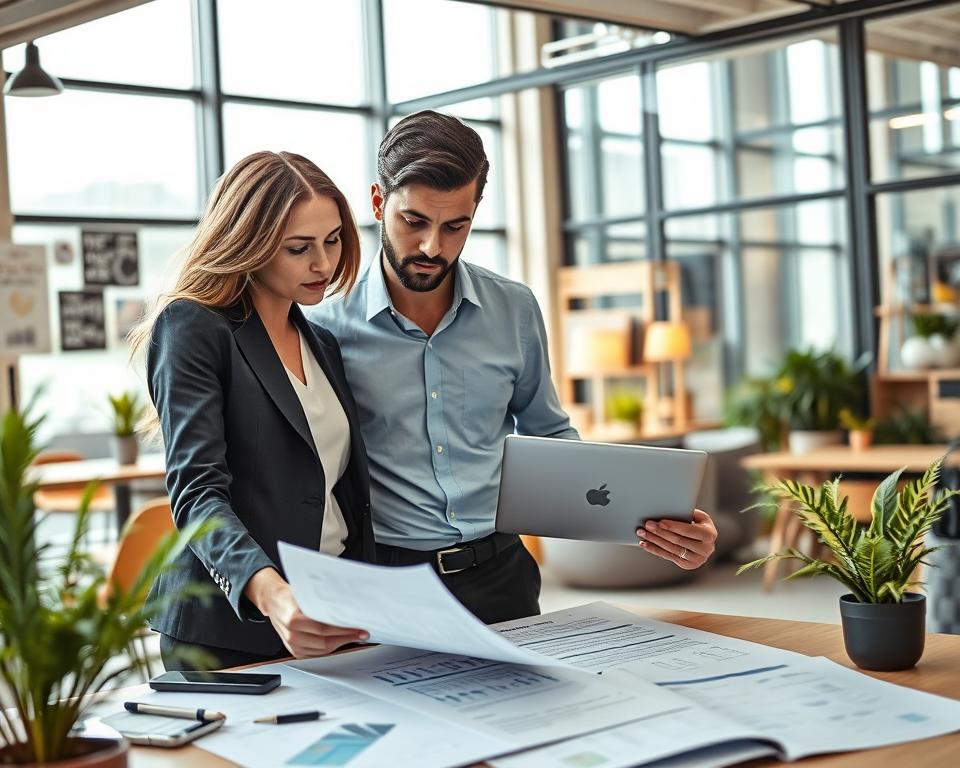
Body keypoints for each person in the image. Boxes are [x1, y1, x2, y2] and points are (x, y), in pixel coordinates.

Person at [312, 111, 718, 625]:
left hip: (501, 576)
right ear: (377, 202)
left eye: (455, 225)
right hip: (385, 580)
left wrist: (656, 523)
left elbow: (550, 433)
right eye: (413, 221)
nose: (433, 247)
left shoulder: (514, 309)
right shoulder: (323, 325)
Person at [131, 151, 373, 670]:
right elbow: (197, 496)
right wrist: (274, 597)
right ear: (251, 243)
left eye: (333, 241)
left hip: (332, 615)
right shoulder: (193, 328)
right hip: (231, 631)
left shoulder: (323, 344)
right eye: (298, 248)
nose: (324, 265)